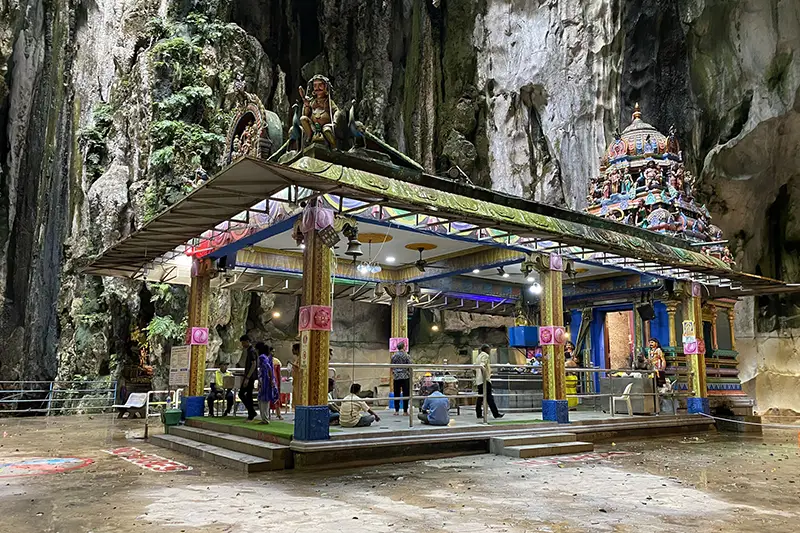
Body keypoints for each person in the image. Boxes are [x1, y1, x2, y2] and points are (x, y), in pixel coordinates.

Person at [475, 344, 503, 419]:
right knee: (489, 397)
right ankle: (496, 414)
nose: (490, 350)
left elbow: (476, 367)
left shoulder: (478, 356)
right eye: (489, 349)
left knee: (480, 397)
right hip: (485, 380)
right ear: (486, 349)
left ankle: (478, 413)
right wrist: (485, 376)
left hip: (479, 380)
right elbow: (482, 365)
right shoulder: (485, 356)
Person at [256, 342, 280, 424]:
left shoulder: (262, 357)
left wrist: (270, 380)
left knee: (263, 400)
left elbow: (268, 368)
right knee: (264, 400)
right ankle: (265, 417)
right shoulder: (267, 357)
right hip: (266, 380)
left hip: (265, 381)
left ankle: (265, 418)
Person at [239, 335, 258, 420]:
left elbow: (253, 364)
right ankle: (251, 412)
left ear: (247, 341)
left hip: (250, 377)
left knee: (242, 393)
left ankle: (251, 411)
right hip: (249, 376)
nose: (242, 345)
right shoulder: (249, 351)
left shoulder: (251, 351)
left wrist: (247, 377)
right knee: (248, 395)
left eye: (243, 343)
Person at [390, 341, 412, 416]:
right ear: (403, 347)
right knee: (406, 394)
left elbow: (391, 366)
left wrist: (394, 373)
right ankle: (405, 411)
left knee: (396, 393)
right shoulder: (407, 356)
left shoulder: (394, 356)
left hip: (396, 377)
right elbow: (410, 366)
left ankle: (396, 410)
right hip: (405, 376)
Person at [289, 342, 301, 412]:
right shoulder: (297, 359)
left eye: (293, 349)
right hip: (296, 381)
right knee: (296, 397)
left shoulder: (301, 359)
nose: (292, 351)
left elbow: (299, 368)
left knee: (299, 397)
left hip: (299, 382)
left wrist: (292, 365)